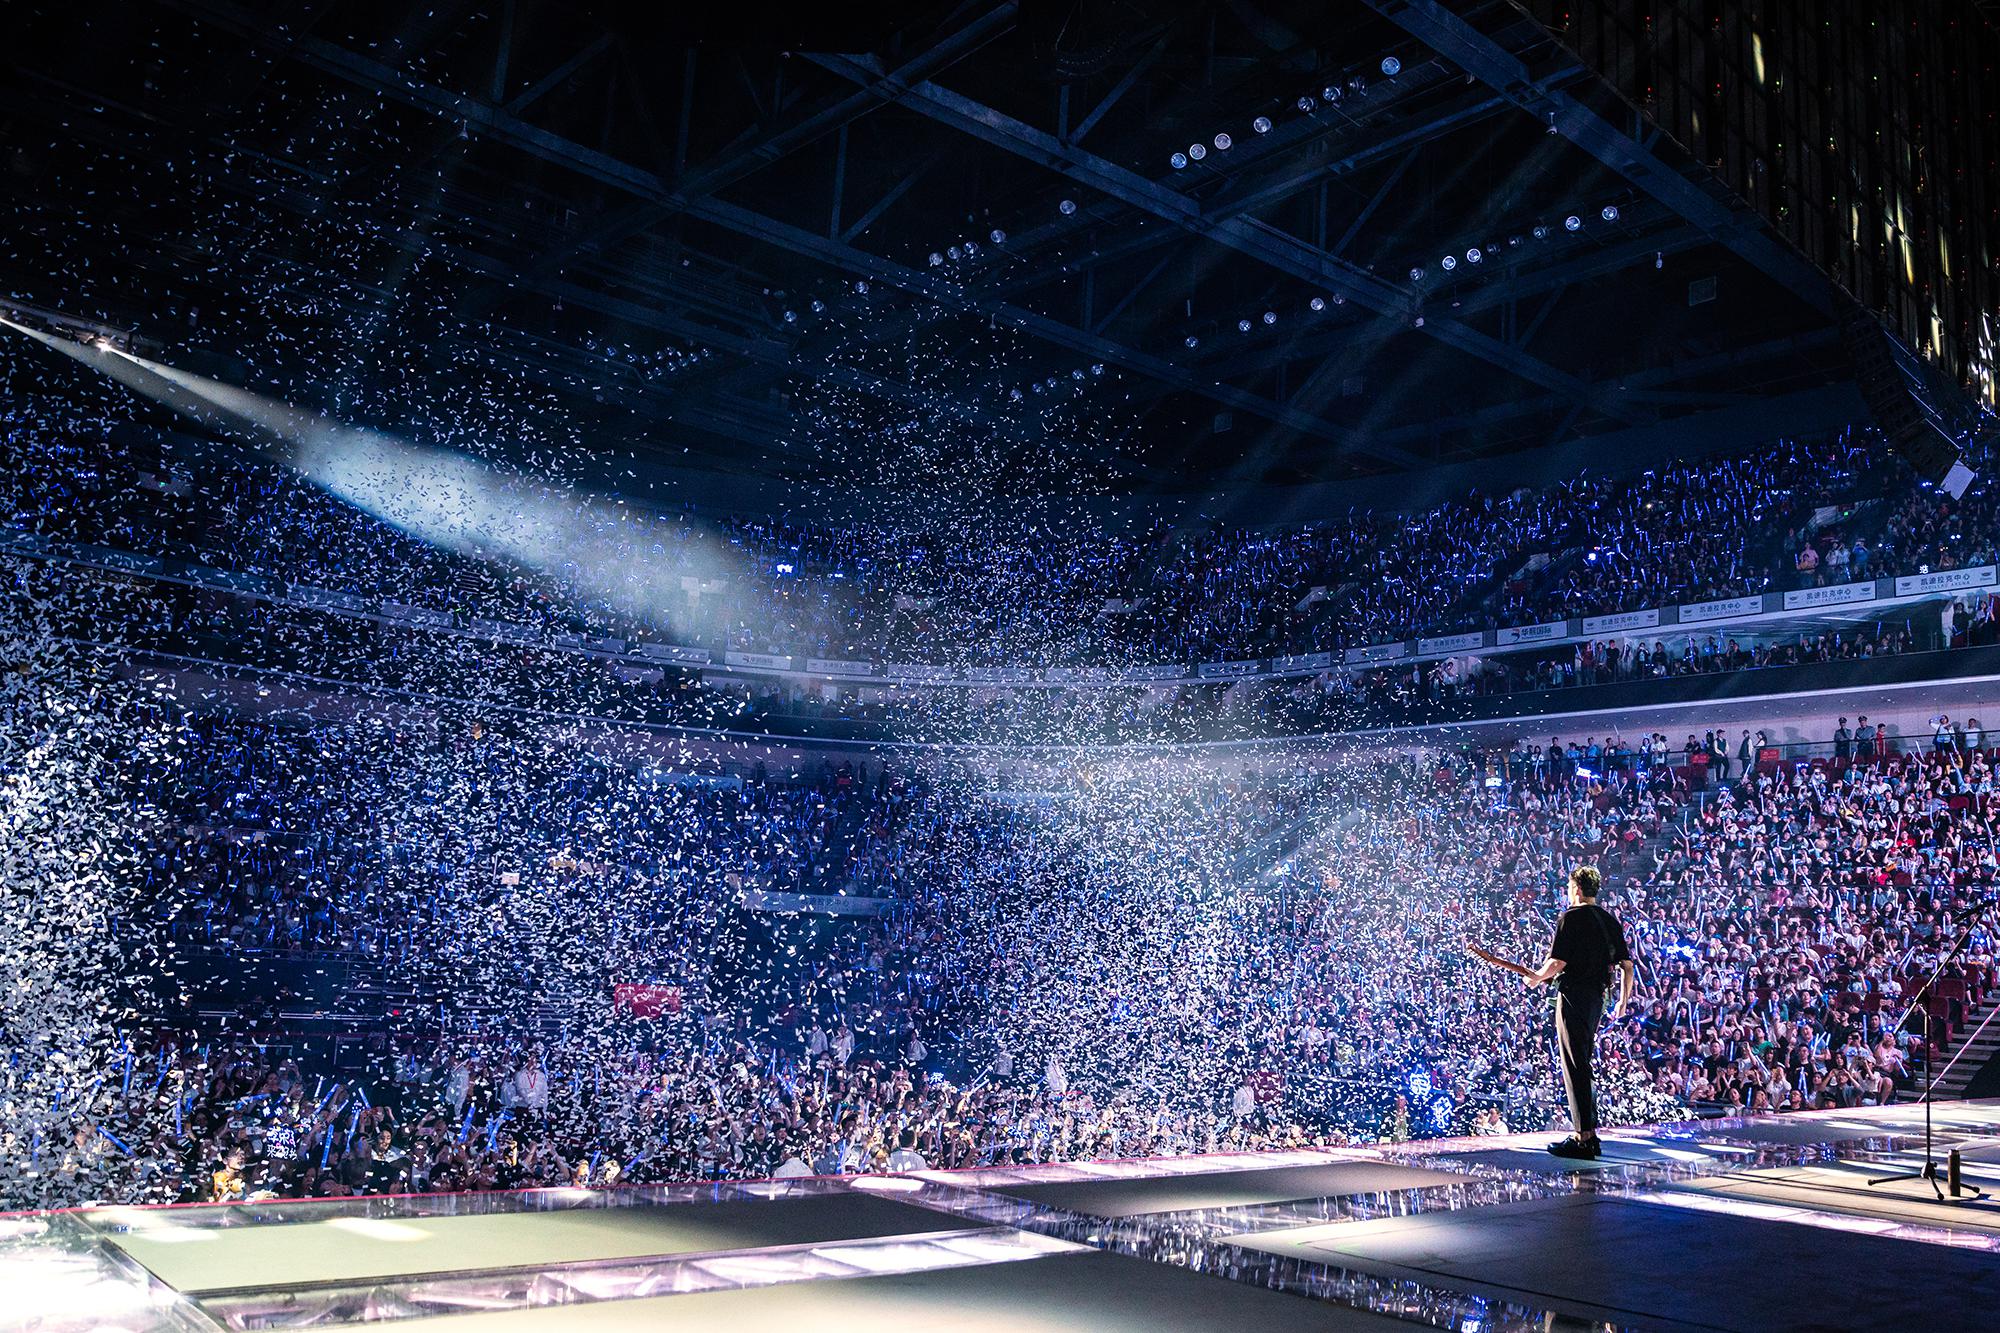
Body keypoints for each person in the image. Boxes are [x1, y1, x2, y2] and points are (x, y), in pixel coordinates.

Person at [1524, 866, 1633, 1160]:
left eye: (1569, 887)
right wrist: (1622, 1001)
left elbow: (1557, 962)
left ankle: (1583, 1137)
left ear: (1577, 889)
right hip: (1597, 998)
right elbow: (1627, 966)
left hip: (1574, 996)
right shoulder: (1608, 920)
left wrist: (1536, 977)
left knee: (1575, 1064)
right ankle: (1588, 1135)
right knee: (1582, 1060)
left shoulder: (1570, 917)